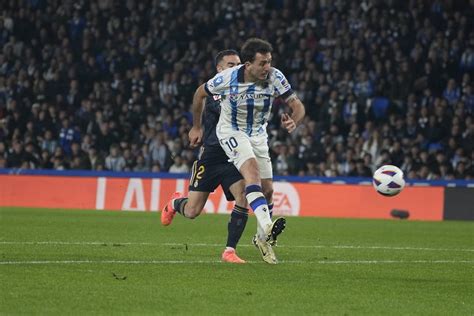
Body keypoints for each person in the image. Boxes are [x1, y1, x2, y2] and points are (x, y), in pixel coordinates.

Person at [188, 38, 306, 264]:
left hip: (258, 134)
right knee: (251, 173)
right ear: (248, 64)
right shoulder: (227, 78)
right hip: (231, 131)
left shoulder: (275, 76)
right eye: (262, 63)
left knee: (268, 190)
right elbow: (199, 94)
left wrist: (295, 121)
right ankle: (268, 225)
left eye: (269, 62)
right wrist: (196, 126)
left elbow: (297, 105)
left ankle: (262, 239)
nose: (267, 68)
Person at [161, 50, 250, 264]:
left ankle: (229, 251)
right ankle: (174, 203)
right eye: (230, 64)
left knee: (243, 196)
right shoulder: (215, 90)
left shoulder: (245, 89)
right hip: (210, 157)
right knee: (192, 212)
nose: (236, 68)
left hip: (232, 156)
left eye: (238, 64)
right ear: (219, 69)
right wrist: (196, 127)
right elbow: (200, 98)